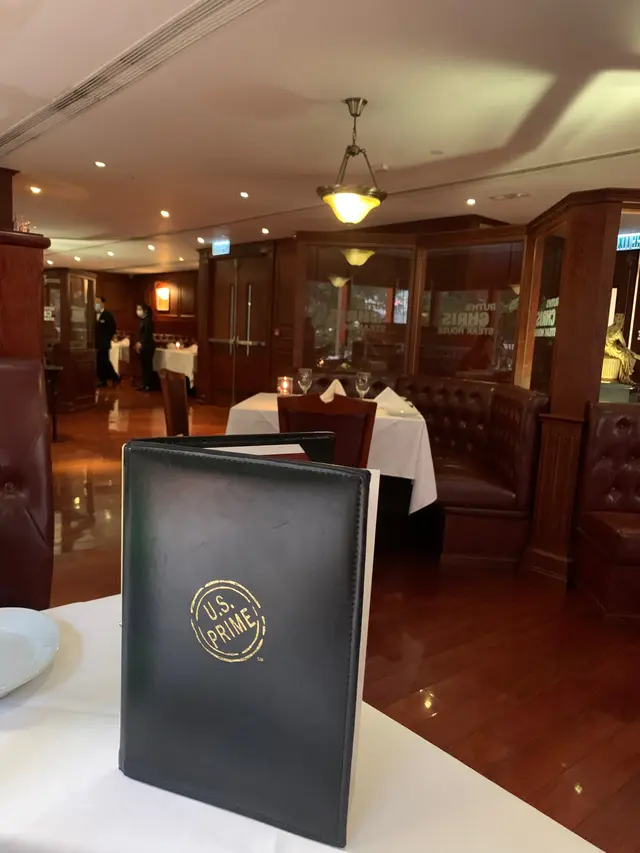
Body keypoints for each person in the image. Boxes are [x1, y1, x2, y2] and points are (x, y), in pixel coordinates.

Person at [95, 296, 120, 387]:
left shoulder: (107, 315)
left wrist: (107, 337)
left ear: (102, 304)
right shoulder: (93, 314)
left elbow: (112, 328)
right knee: (99, 362)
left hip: (104, 343)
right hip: (96, 343)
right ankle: (104, 380)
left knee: (104, 362)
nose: (96, 304)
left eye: (97, 302)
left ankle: (114, 377)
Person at [135, 302, 156, 391]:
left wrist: (141, 342)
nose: (138, 311)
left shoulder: (148, 320)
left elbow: (147, 334)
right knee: (144, 366)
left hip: (148, 346)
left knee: (147, 366)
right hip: (144, 346)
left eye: (140, 309)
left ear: (145, 310)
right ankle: (144, 384)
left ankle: (148, 385)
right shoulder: (143, 320)